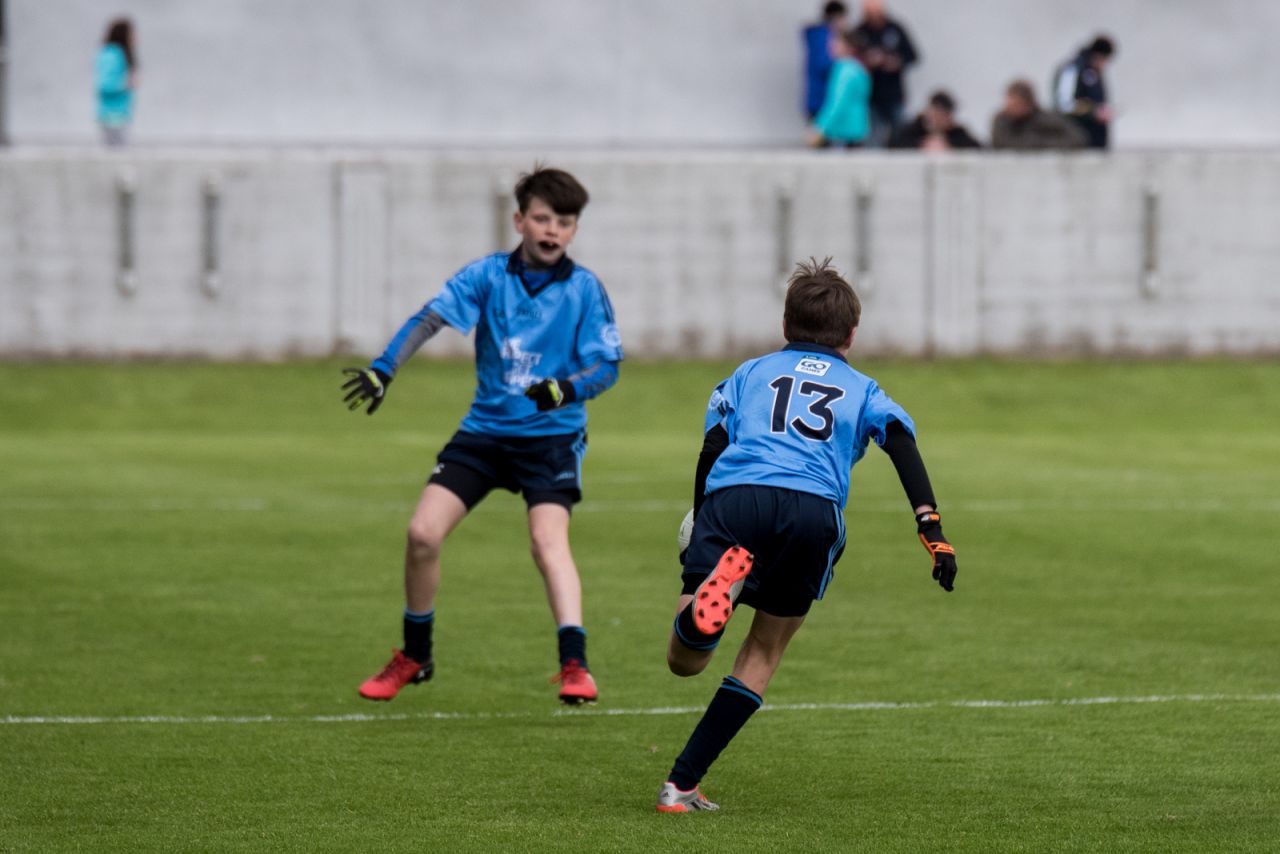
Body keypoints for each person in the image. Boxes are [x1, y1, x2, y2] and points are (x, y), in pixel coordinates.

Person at [654, 258, 958, 812]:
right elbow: (899, 442)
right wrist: (930, 526)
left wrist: (703, 518)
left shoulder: (748, 373)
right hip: (812, 511)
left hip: (736, 499)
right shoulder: (863, 388)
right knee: (764, 650)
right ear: (851, 335)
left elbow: (711, 447)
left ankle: (707, 609)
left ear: (785, 326)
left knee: (684, 660)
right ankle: (681, 785)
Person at [341, 167, 624, 706]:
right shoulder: (489, 276)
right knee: (422, 533)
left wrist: (564, 391)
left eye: (564, 222)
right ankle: (415, 654)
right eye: (542, 217)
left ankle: (575, 666)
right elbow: (430, 319)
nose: (551, 229)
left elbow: (607, 366)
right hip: (485, 434)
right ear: (519, 220)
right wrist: (385, 368)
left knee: (548, 542)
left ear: (573, 231)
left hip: (551, 439)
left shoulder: (585, 290)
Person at [852, 0, 918, 147]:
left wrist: (896, 62)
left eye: (876, 13)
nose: (873, 17)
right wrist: (867, 62)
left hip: (894, 95)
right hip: (871, 96)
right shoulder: (860, 31)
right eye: (870, 14)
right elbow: (851, 59)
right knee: (874, 138)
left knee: (900, 136)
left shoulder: (895, 29)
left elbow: (913, 56)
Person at [808, 30, 871, 149]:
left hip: (843, 130)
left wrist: (820, 127)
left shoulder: (844, 71)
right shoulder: (858, 68)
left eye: (835, 42)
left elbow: (837, 101)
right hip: (858, 128)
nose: (830, 46)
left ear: (848, 46)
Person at [1053, 35, 1116, 149]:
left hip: (1096, 141)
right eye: (1104, 60)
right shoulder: (1071, 69)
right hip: (1075, 137)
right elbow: (1064, 104)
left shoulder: (1094, 73)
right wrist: (1093, 112)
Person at [991, 80, 1087, 151]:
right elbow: (1001, 143)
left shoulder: (1045, 120)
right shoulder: (1002, 121)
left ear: (1028, 104)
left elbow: (1077, 139)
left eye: (1016, 105)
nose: (1011, 109)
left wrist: (1042, 143)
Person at [888, 90, 982, 151]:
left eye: (942, 116)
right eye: (935, 114)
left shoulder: (957, 133)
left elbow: (978, 149)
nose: (937, 119)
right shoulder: (914, 129)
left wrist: (949, 145)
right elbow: (893, 145)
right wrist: (921, 145)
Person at [802, 2, 849, 119]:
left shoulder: (826, 36)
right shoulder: (822, 37)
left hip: (825, 101)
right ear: (836, 18)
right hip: (821, 101)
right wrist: (843, 59)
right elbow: (823, 65)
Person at [96, 17, 137, 146]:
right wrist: (127, 83)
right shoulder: (112, 54)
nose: (135, 37)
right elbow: (104, 84)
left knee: (118, 152)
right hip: (112, 115)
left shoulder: (117, 53)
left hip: (119, 114)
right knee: (116, 153)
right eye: (132, 33)